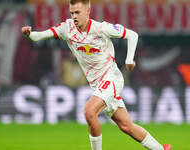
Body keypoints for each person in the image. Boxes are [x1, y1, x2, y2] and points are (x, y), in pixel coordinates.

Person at [22, 0, 171, 150]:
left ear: (87, 11)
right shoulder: (66, 29)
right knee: (126, 126)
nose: (74, 16)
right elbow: (39, 36)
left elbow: (132, 35)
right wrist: (30, 34)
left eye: (77, 12)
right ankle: (161, 149)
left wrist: (129, 59)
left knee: (89, 111)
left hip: (111, 79)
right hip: (97, 85)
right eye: (72, 13)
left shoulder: (101, 28)